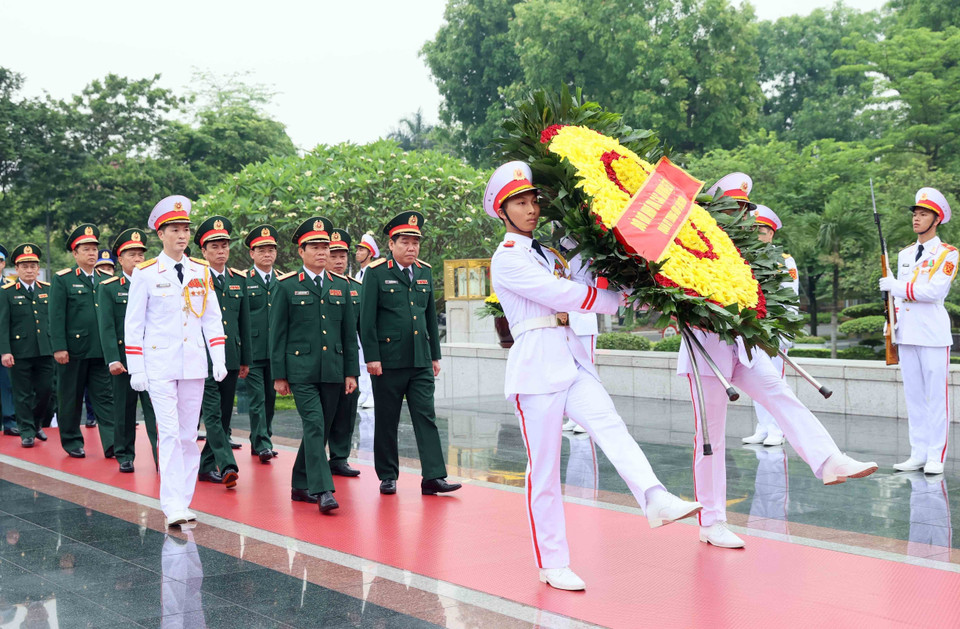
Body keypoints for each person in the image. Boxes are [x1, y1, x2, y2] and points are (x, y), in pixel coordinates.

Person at [486, 161, 702, 591]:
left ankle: (655, 498)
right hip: (536, 369)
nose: (531, 209)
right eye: (520, 203)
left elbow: (582, 278)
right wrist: (610, 300)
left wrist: (602, 251)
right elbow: (559, 293)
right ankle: (552, 562)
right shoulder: (507, 258)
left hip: (570, 360)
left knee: (611, 425)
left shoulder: (548, 253)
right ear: (503, 211)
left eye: (533, 201)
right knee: (544, 471)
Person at [679, 173, 877, 550]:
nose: (741, 216)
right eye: (734, 209)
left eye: (744, 210)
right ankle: (712, 520)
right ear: (716, 210)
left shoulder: (752, 252)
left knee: (781, 394)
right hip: (707, 352)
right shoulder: (691, 243)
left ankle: (829, 459)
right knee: (710, 439)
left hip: (744, 344)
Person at [125, 195, 228, 527]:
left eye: (185, 229)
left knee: (187, 435)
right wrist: (137, 367)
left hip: (193, 364)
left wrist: (219, 357)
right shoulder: (145, 273)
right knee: (168, 433)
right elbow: (134, 325)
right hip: (159, 365)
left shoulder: (200, 270)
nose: (182, 236)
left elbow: (211, 318)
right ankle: (171, 504)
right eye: (175, 229)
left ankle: (184, 499)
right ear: (161, 234)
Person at [359, 211, 460, 497]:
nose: (412, 247)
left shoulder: (425, 271)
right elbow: (366, 320)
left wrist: (434, 356)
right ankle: (388, 475)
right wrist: (372, 357)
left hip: (419, 360)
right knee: (387, 419)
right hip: (388, 361)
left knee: (426, 416)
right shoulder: (377, 273)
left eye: (415, 242)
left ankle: (433, 476)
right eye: (405, 242)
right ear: (391, 244)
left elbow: (430, 317)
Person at [270, 217, 359, 514]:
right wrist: (279, 375)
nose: (322, 252)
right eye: (315, 247)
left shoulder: (341, 286)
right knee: (315, 424)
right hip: (301, 371)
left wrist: (350, 372)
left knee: (319, 430)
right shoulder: (286, 287)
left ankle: (299, 484)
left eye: (325, 247)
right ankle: (323, 490)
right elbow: (277, 334)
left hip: (333, 369)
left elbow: (348, 334)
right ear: (301, 251)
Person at [880, 187, 957, 476]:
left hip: (933, 333)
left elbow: (934, 290)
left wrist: (896, 287)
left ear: (936, 220)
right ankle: (918, 452)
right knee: (913, 396)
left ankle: (936, 455)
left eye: (923, 214)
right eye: (915, 213)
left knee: (935, 397)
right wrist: (892, 322)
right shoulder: (904, 254)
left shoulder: (948, 254)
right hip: (907, 331)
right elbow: (898, 299)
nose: (916, 218)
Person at [48, 223, 114, 458]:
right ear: (75, 253)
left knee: (105, 398)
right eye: (85, 249)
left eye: (94, 248)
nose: (92, 253)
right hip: (73, 351)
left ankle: (112, 442)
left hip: (100, 350)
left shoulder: (106, 279)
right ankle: (72, 440)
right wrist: (59, 347)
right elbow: (55, 316)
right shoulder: (63, 280)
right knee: (70, 397)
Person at [194, 216, 251, 488]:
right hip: (203, 357)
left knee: (225, 415)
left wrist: (245, 360)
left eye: (225, 245)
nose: (221, 251)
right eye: (214, 246)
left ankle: (205, 467)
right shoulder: (195, 279)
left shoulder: (238, 279)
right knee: (213, 415)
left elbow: (244, 324)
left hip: (230, 356)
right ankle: (227, 464)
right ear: (203, 251)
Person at [96, 228, 159, 473]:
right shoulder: (110, 287)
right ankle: (124, 454)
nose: (137, 259)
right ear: (119, 260)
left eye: (141, 254)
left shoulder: (156, 283)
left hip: (152, 357)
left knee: (155, 409)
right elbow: (107, 327)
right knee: (123, 408)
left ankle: (161, 455)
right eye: (131, 255)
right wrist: (112, 358)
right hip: (123, 360)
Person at [742, 205, 799, 447]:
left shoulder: (784, 262)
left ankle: (778, 428)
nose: (758, 235)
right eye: (754, 230)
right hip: (753, 328)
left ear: (772, 234)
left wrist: (784, 330)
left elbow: (790, 296)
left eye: (762, 230)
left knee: (774, 379)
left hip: (776, 328)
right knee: (756, 378)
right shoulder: (745, 260)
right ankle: (763, 426)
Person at [0, 244, 53, 447]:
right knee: (22, 394)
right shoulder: (7, 292)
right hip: (19, 351)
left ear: (38, 269)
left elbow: (53, 321)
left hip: (45, 349)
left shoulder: (47, 290)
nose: (29, 270)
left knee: (45, 391)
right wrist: (5, 351)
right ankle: (26, 432)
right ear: (17, 269)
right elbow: (3, 324)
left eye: (33, 266)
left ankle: (36, 423)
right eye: (25, 266)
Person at [325, 228, 363, 477]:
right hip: (321, 360)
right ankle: (316, 459)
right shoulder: (315, 285)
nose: (339, 261)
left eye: (343, 256)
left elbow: (364, 328)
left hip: (348, 360)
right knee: (322, 414)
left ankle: (339, 458)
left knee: (347, 410)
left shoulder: (357, 287)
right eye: (334, 255)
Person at [243, 225, 280, 462]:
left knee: (270, 398)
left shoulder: (283, 280)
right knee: (257, 399)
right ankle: (262, 442)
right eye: (262, 250)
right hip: (254, 351)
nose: (267, 254)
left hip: (275, 352)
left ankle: (263, 437)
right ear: (252, 253)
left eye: (271, 249)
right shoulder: (244, 280)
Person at [354, 232, 379, 408]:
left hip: (371, 324)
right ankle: (364, 392)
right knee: (361, 360)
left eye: (362, 250)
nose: (357, 253)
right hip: (358, 323)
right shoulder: (358, 274)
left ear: (370, 253)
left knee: (371, 359)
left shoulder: (374, 272)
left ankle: (373, 394)